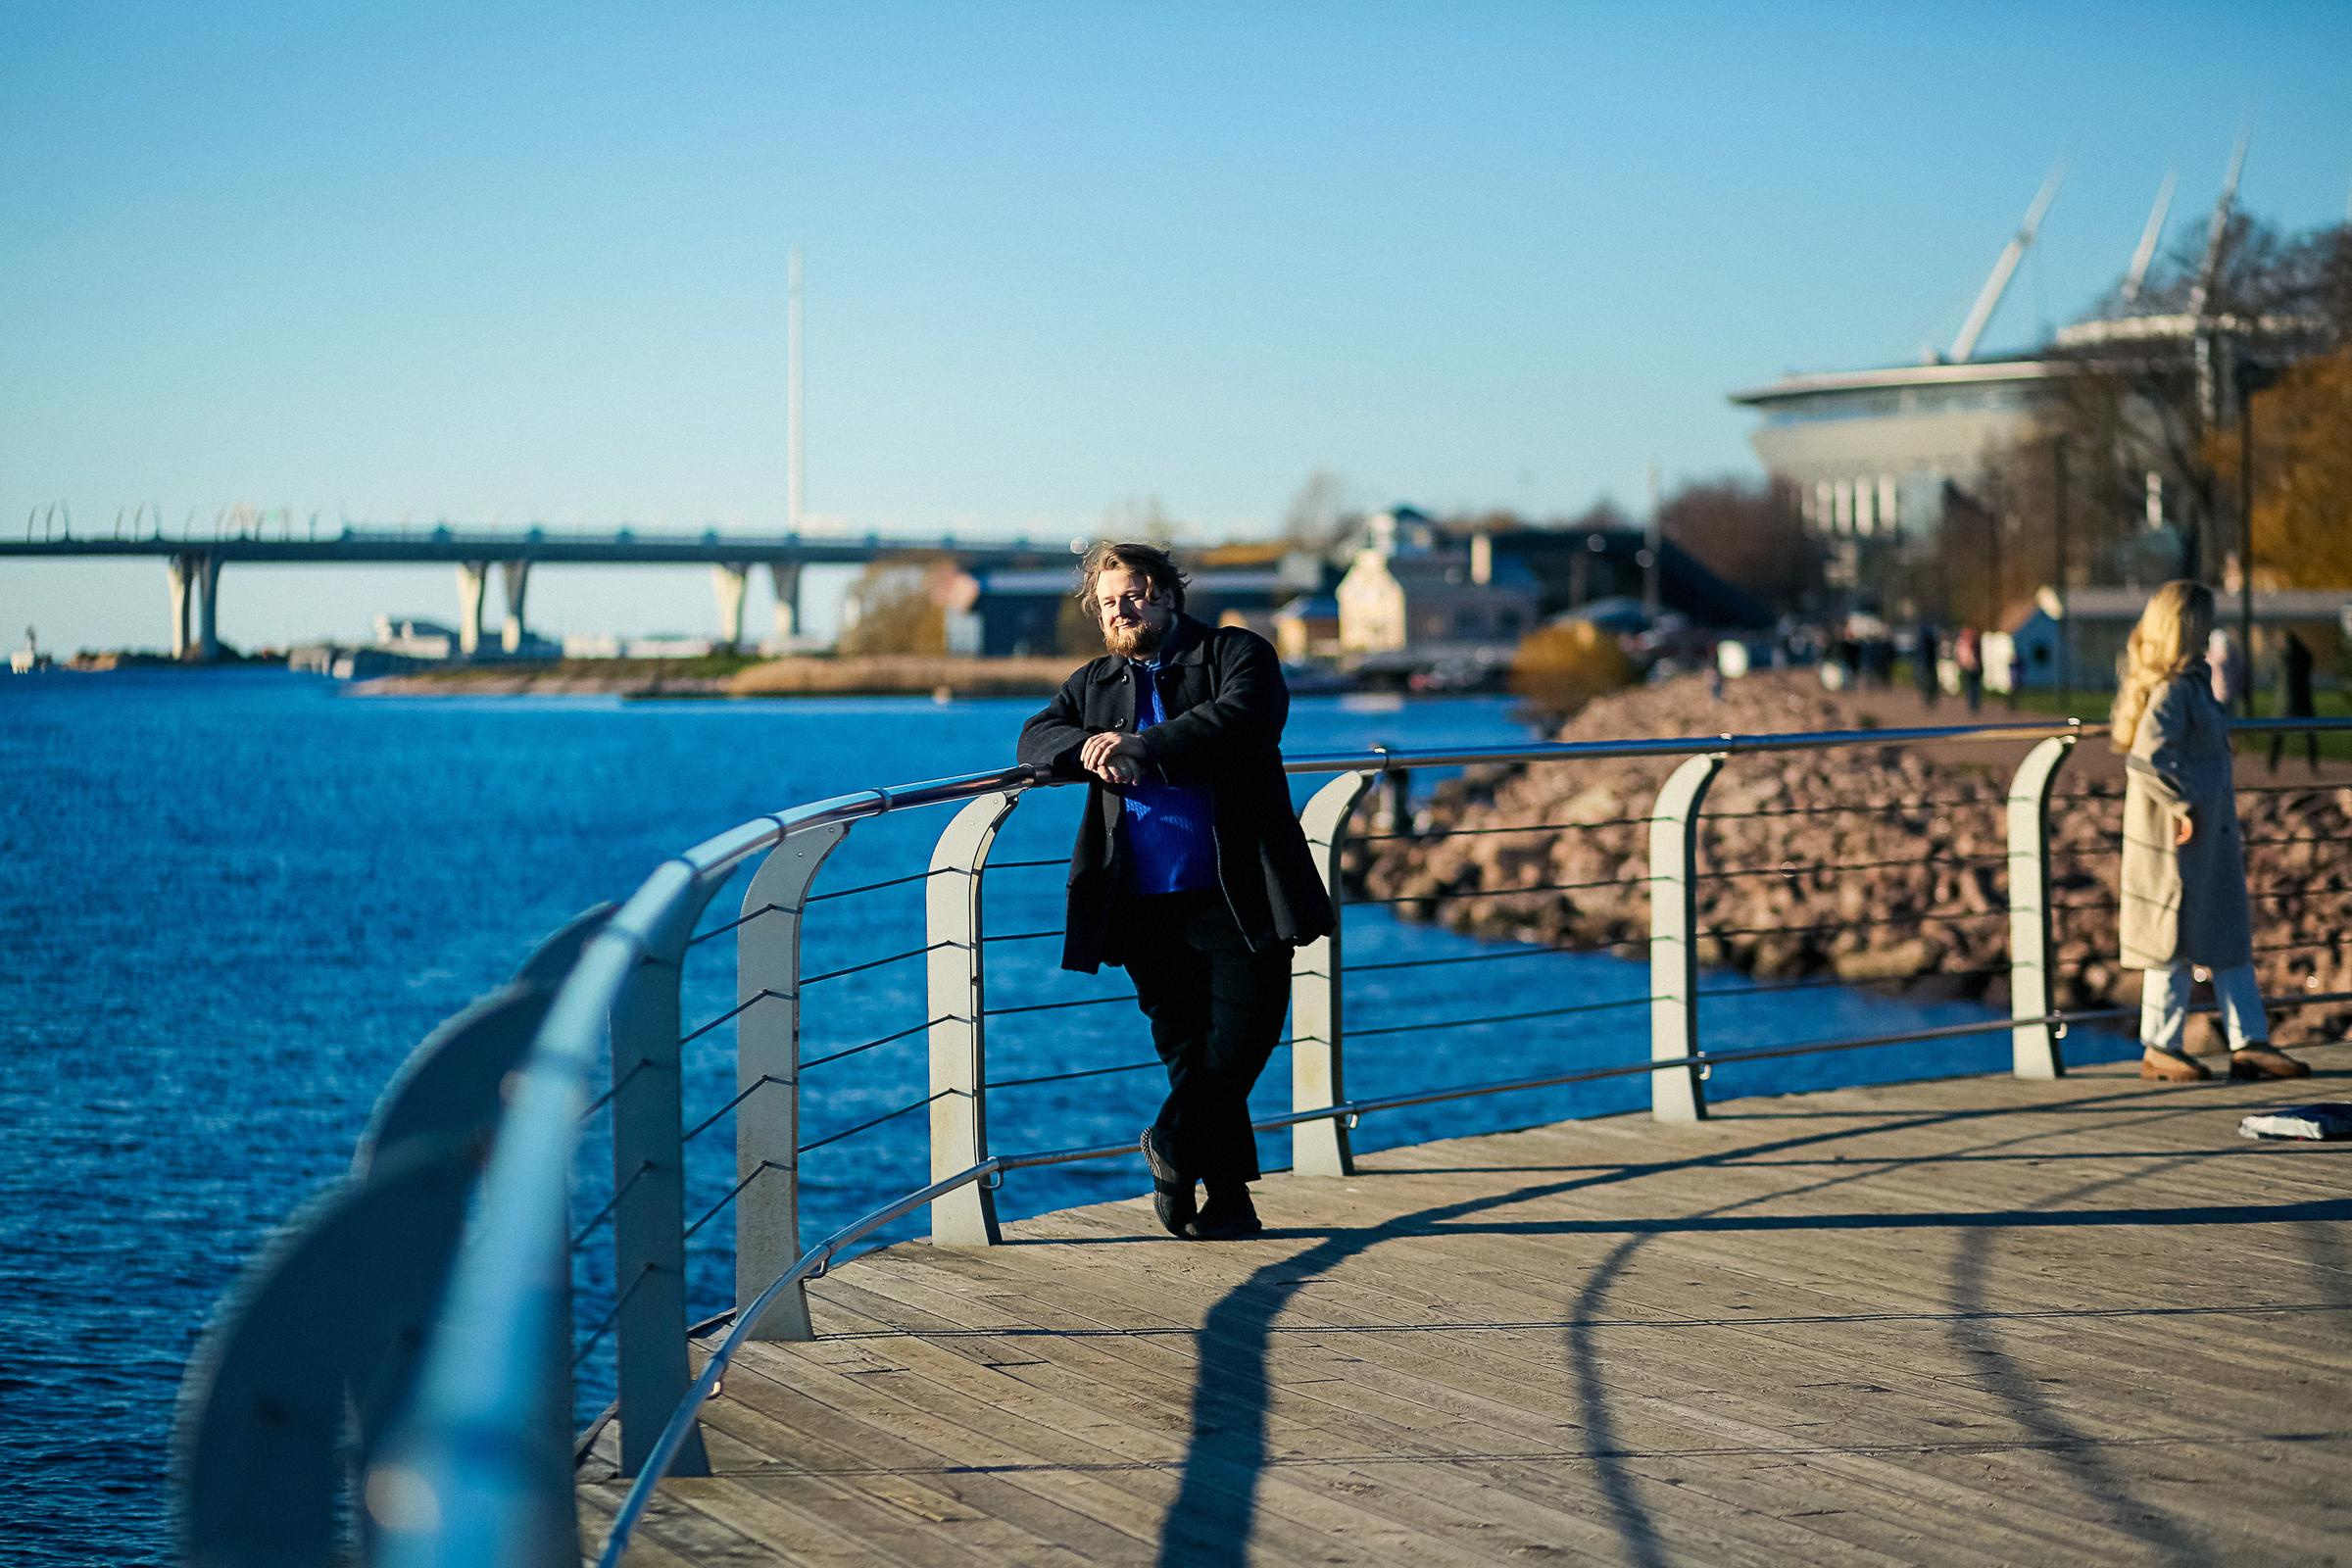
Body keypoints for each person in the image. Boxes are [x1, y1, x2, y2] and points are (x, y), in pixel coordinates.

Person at [1017, 542, 1333, 1240]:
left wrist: (1145, 747)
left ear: (1165, 593)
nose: (1121, 611)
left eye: (1131, 595)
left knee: (1240, 1045)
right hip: (1141, 904)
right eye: (1107, 604)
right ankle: (1227, 1201)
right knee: (1191, 1056)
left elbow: (1245, 716)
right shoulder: (1095, 683)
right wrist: (1088, 747)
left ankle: (1169, 1142)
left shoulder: (1234, 653)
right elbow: (1035, 737)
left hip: (1239, 891)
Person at [2111, 580, 2308, 1083]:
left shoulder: (2190, 684)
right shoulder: (2177, 689)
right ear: (2189, 627)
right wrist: (2182, 806)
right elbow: (2148, 757)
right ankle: (2164, 1045)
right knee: (2174, 943)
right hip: (2184, 844)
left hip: (2204, 842)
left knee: (2223, 937)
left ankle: (2246, 1042)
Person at [2267, 631, 2319, 776]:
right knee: (2310, 736)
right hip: (2303, 701)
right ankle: (2314, 766)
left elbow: (2273, 677)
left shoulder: (2279, 657)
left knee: (2277, 736)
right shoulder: (2304, 656)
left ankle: (2272, 766)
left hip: (2284, 703)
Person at [1954, 626, 1984, 713]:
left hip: (1975, 667)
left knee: (1975, 687)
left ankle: (1975, 704)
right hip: (1969, 667)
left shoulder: (1974, 644)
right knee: (1971, 686)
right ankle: (1972, 704)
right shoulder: (1965, 643)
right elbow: (1960, 655)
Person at [1912, 620, 1940, 710]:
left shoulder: (1921, 641)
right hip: (1928, 665)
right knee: (1929, 684)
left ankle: (1928, 700)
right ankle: (1929, 700)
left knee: (1926, 684)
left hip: (1924, 665)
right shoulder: (1931, 640)